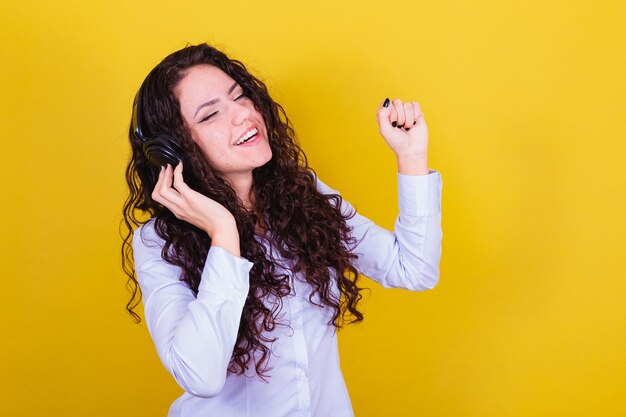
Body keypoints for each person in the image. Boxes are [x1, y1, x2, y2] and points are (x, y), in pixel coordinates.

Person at [121, 43, 443, 417]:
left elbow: (413, 269)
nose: (243, 114)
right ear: (173, 152)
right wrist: (224, 233)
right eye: (211, 115)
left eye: (240, 96)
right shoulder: (157, 242)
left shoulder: (304, 196)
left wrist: (412, 156)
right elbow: (200, 375)